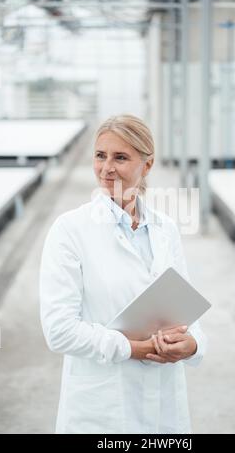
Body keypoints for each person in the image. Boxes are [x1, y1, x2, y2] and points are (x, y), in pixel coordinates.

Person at [39, 114, 207, 434]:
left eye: (120, 157)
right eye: (100, 155)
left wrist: (193, 345)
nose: (107, 168)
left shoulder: (165, 230)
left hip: (163, 404)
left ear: (147, 165)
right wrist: (133, 348)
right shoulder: (70, 231)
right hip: (102, 409)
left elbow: (188, 313)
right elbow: (58, 329)